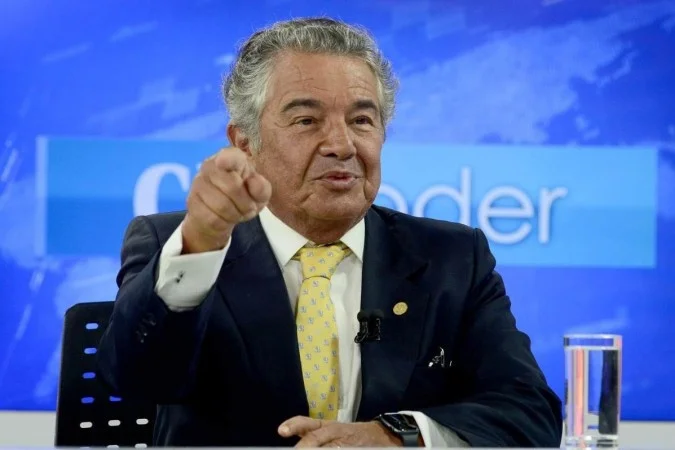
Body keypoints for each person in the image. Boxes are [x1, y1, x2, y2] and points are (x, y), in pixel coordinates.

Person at [96, 17, 562, 448]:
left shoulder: (452, 257)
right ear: (245, 143)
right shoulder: (182, 246)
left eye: (361, 120)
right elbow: (137, 381)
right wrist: (201, 242)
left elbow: (529, 413)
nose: (341, 144)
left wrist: (396, 437)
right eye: (306, 120)